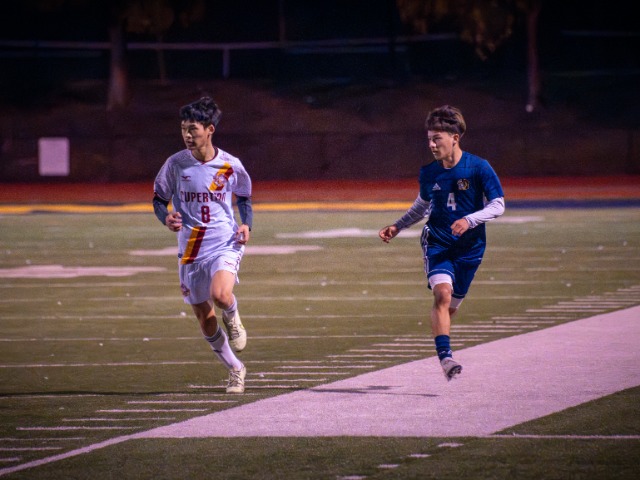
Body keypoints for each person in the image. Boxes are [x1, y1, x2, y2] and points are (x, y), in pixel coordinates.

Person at [379, 105, 505, 381]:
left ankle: (441, 341)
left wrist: (470, 220)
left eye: (437, 139)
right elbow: (422, 205)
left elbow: (498, 205)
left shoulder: (478, 167)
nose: (432, 145)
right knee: (442, 295)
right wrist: (398, 226)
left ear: (455, 138)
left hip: (470, 248)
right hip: (437, 241)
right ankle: (446, 358)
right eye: (429, 139)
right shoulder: (429, 172)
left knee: (451, 307)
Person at [153, 96, 252, 394]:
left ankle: (232, 315)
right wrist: (165, 217)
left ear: (210, 130)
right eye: (183, 128)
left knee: (220, 295)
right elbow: (159, 199)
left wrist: (246, 224)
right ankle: (235, 368)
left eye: (192, 129)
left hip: (224, 241)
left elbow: (244, 196)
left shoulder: (230, 164)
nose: (186, 135)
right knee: (203, 316)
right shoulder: (175, 164)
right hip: (190, 248)